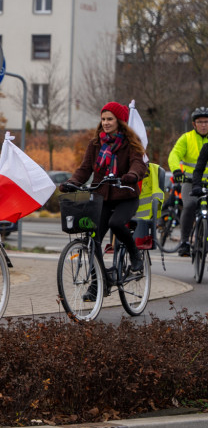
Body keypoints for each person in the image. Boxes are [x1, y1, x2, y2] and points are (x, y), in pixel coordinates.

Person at [60, 102, 148, 300]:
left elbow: (138, 163)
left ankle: (134, 253)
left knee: (116, 223)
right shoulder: (95, 144)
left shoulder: (131, 142)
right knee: (92, 239)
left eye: (110, 119)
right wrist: (72, 182)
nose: (106, 123)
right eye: (103, 119)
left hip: (126, 196)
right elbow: (85, 169)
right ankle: (99, 283)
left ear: (120, 121)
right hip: (102, 198)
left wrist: (132, 175)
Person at [167, 106, 208, 256]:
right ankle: (184, 241)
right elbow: (174, 155)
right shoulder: (186, 138)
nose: (203, 125)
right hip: (190, 181)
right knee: (189, 205)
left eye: (206, 122)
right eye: (200, 122)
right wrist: (177, 171)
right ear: (194, 124)